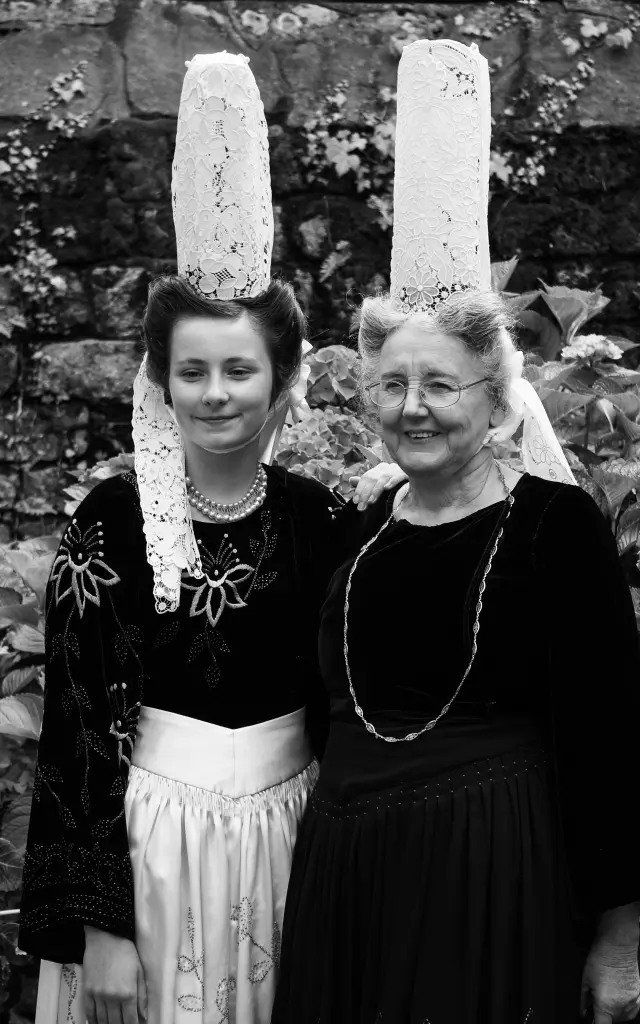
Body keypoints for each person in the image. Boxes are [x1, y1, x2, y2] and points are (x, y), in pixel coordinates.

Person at [18, 54, 400, 1024]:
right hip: (152, 847)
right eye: (195, 370)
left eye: (240, 367)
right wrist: (100, 927)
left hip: (287, 840)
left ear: (282, 380)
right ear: (162, 381)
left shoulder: (320, 517)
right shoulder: (108, 520)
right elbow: (75, 738)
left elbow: (355, 701)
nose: (218, 391)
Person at [272, 40, 640, 1024]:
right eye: (392, 382)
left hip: (492, 872)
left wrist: (617, 941)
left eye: (441, 384)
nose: (414, 407)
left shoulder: (555, 529)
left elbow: (609, 742)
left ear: (495, 396)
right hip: (350, 873)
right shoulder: (358, 531)